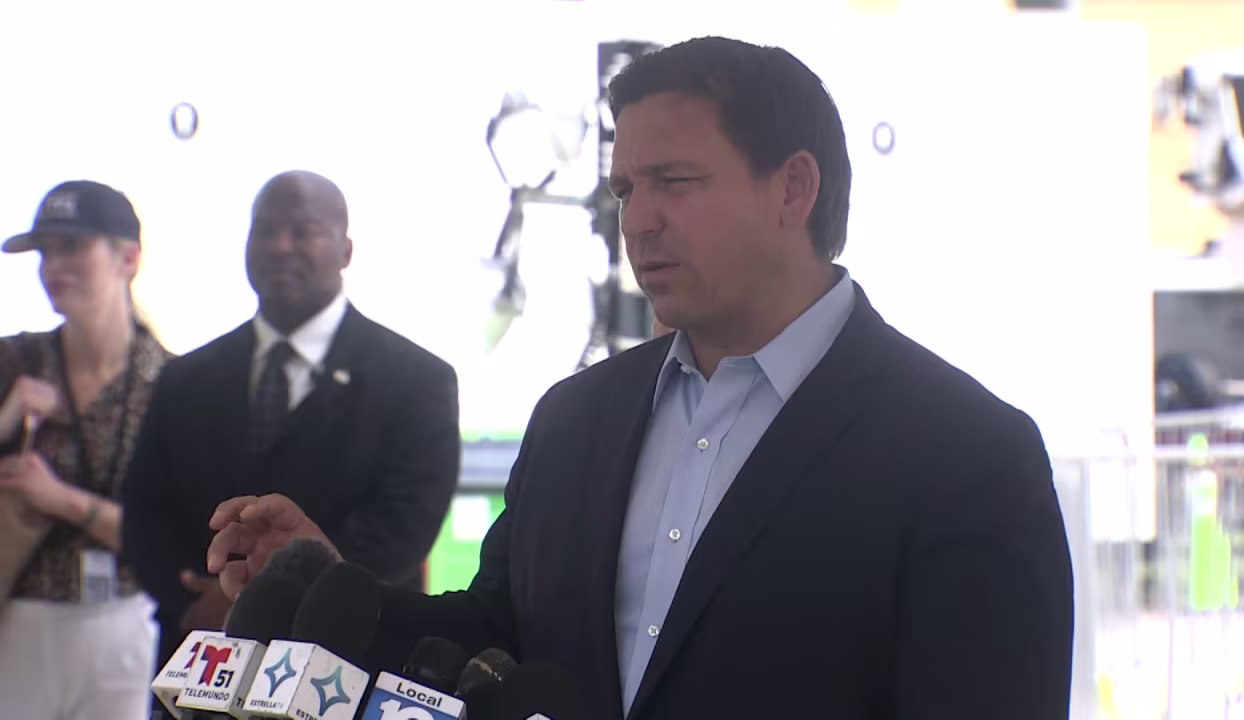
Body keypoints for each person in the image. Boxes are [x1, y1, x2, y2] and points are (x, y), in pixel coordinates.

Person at [207, 39, 1074, 719]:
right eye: (626, 190)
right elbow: (496, 634)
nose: (640, 220)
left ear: (794, 188)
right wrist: (322, 582)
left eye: (676, 182)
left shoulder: (967, 456)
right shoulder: (576, 420)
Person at [121, 170, 461, 665]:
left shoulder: (417, 380)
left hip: (344, 664)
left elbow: (402, 527)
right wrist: (200, 596)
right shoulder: (185, 378)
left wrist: (260, 597)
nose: (281, 246)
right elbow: (146, 513)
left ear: (346, 252)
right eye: (265, 229)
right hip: (201, 660)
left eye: (304, 231)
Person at [0, 180, 170, 718]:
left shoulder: (172, 384)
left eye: (73, 247)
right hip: (21, 617)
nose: (53, 266)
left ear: (129, 258)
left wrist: (59, 499)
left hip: (126, 621)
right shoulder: (16, 362)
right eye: (45, 252)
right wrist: (7, 415)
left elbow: (169, 537)